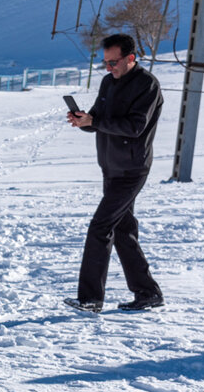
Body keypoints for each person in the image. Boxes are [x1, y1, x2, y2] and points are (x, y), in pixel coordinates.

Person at [64, 33, 165, 313]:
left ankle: (90, 298)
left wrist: (96, 120)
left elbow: (134, 127)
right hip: (110, 167)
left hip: (132, 169)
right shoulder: (108, 82)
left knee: (100, 226)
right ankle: (148, 293)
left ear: (131, 58)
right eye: (105, 63)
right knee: (123, 231)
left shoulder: (147, 85)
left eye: (113, 62)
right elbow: (99, 120)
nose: (108, 68)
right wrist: (84, 121)